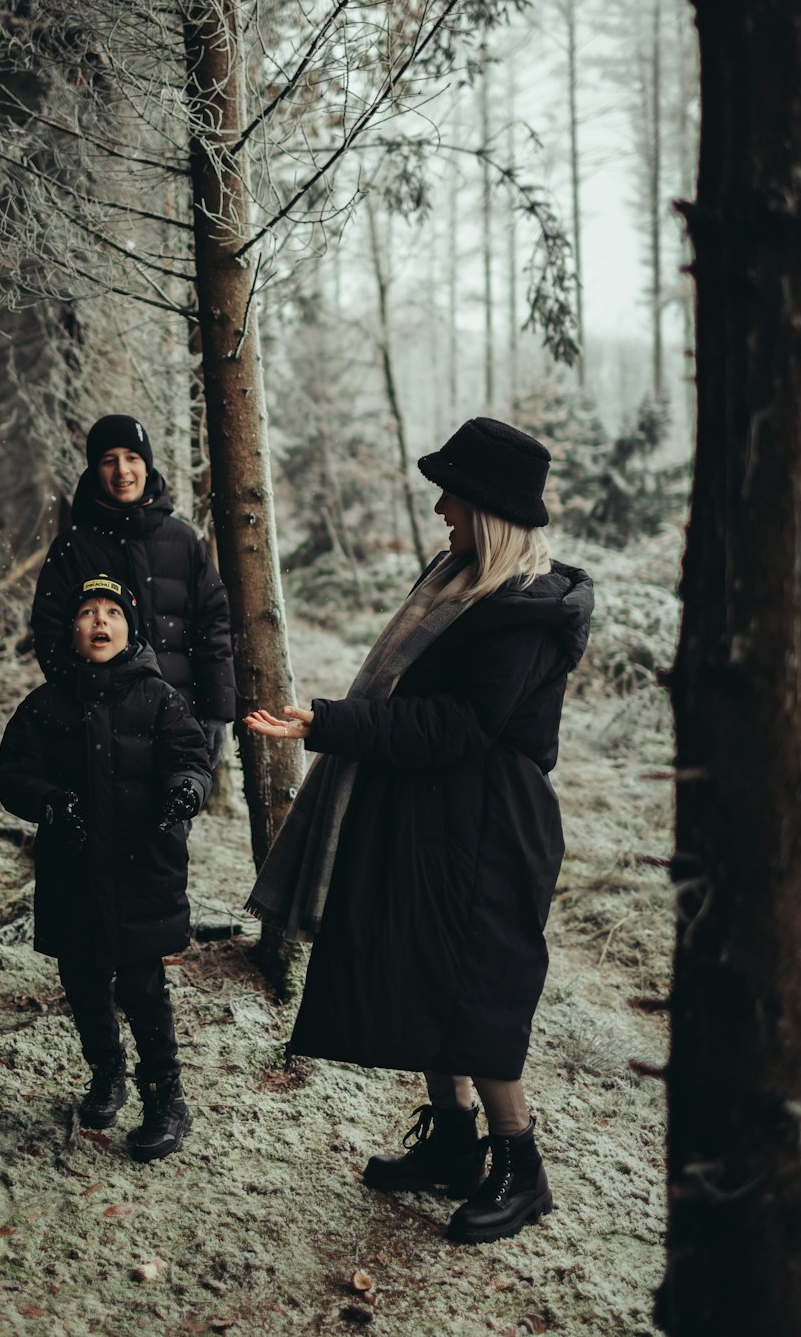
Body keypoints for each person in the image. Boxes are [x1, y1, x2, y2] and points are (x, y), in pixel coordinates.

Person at [245, 417, 593, 1245]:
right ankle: (454, 1145)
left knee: (480, 996)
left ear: (487, 508)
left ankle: (521, 1168)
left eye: (452, 493)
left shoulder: (521, 612)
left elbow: (458, 726)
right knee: (429, 980)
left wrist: (331, 722)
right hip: (437, 819)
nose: (439, 506)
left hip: (491, 830)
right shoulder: (461, 579)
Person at [0, 573, 210, 1162]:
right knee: (83, 979)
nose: (99, 622)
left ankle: (166, 1096)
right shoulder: (45, 703)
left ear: (129, 629)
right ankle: (105, 1071)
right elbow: (13, 774)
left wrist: (185, 790)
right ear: (72, 631)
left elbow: (192, 757)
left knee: (143, 984)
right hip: (72, 869)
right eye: (87, 612)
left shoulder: (160, 698)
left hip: (144, 865)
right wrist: (47, 799)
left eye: (111, 613)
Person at [31, 414, 234, 766]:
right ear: (95, 469)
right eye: (109, 460)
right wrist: (84, 691)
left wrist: (217, 712)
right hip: (95, 729)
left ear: (147, 464)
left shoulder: (184, 541)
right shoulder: (72, 546)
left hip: (178, 722)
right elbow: (50, 634)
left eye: (132, 458)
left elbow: (213, 628)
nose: (122, 471)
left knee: (170, 820)